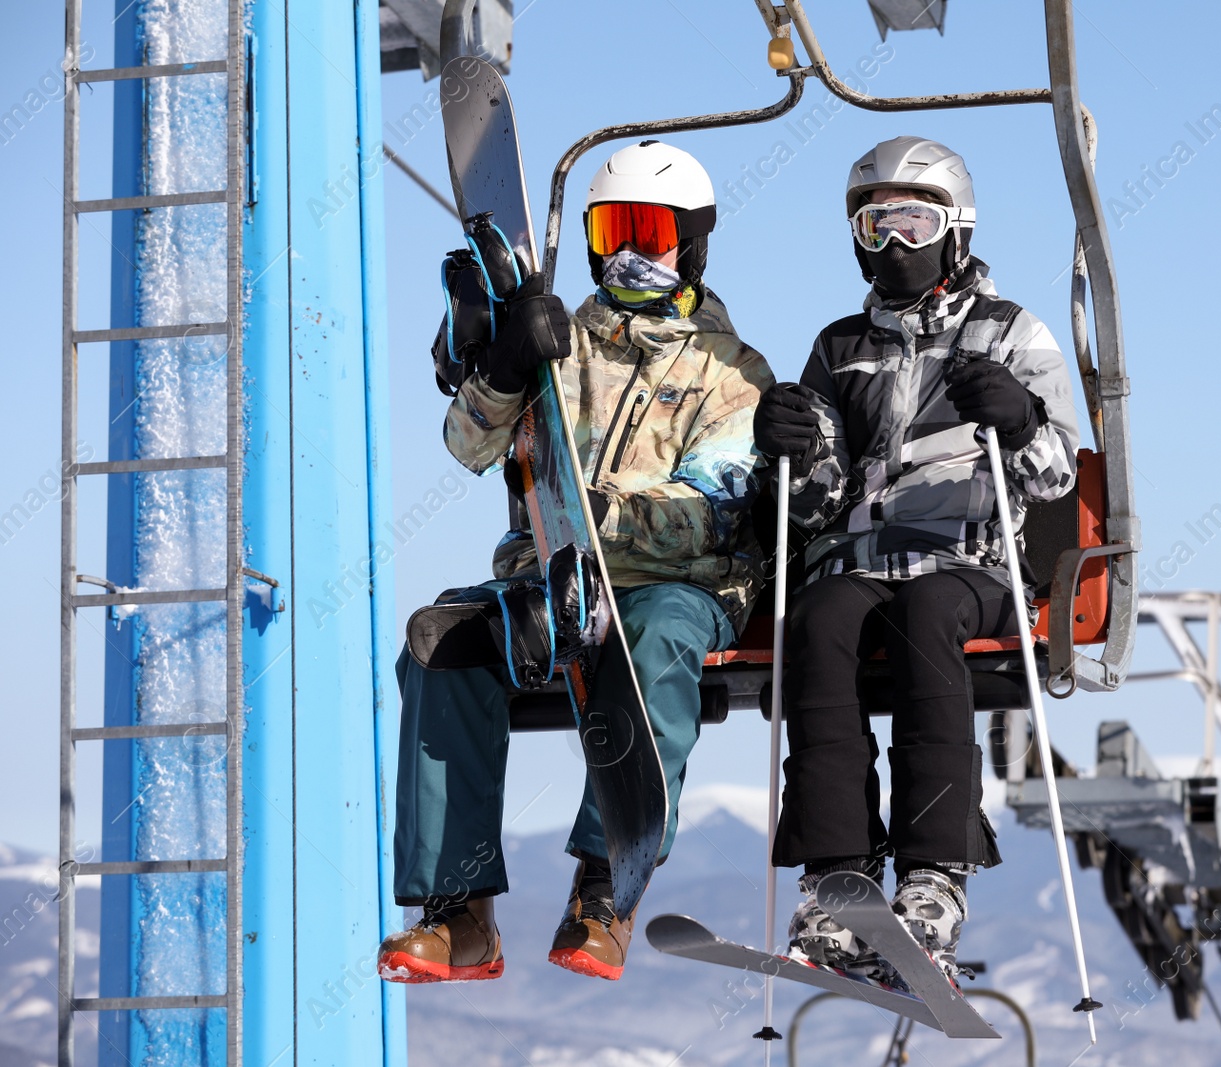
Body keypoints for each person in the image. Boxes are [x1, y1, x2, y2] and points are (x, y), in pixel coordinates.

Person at [379, 140, 775, 984]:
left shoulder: (733, 374)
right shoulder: (561, 343)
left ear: (692, 244)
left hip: (680, 585)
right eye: (613, 227)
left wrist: (598, 518)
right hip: (550, 578)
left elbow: (708, 514)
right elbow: (466, 446)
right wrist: (503, 366)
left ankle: (604, 887)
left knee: (652, 632)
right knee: (438, 636)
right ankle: (460, 912)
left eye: (652, 231)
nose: (629, 250)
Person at [753, 136, 1079, 979]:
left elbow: (1055, 474)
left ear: (955, 228)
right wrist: (788, 454)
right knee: (816, 619)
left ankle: (935, 873)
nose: (891, 243)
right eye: (873, 224)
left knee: (929, 614)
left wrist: (1020, 420)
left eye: (911, 220)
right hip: (859, 559)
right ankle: (838, 873)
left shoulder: (1011, 333)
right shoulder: (837, 347)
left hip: (974, 560)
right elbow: (817, 496)